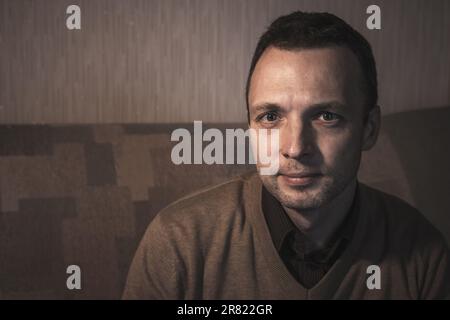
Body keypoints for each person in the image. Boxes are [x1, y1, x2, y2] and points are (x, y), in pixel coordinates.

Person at [122, 11, 450, 299]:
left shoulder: (424, 255)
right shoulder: (178, 244)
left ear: (369, 128)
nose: (294, 148)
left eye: (326, 116)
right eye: (270, 117)